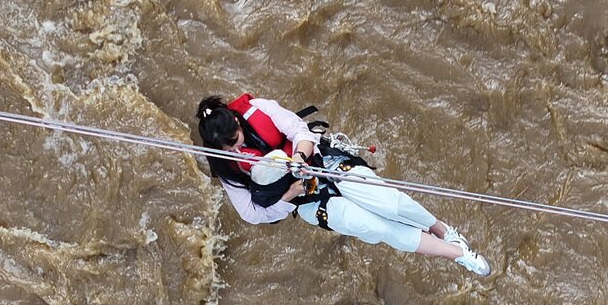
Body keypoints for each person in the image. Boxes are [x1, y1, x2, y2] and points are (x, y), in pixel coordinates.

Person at [195, 94, 491, 276]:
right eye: (226, 147)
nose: (234, 151)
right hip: (308, 200)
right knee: (377, 228)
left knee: (392, 205)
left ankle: (443, 231)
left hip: (326, 164)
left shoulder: (258, 109)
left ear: (236, 121)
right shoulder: (225, 163)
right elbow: (250, 212)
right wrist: (289, 195)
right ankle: (460, 256)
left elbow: (298, 129)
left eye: (234, 142)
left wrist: (299, 155)